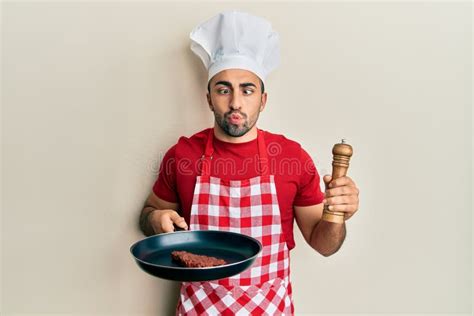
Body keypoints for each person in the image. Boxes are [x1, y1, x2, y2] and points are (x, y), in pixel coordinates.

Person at [139, 10, 360, 315]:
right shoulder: (183, 156)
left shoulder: (292, 158)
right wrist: (156, 220)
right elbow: (148, 213)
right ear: (208, 98)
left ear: (263, 100)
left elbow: (324, 245)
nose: (235, 103)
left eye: (247, 89)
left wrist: (337, 214)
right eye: (223, 88)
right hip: (199, 309)